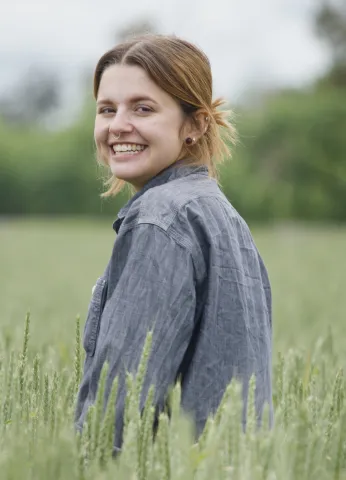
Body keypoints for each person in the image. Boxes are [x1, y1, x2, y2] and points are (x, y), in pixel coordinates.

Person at [75, 33, 273, 453]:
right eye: (107, 109)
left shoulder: (159, 219)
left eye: (143, 108)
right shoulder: (219, 213)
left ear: (196, 124)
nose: (118, 125)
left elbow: (119, 408)